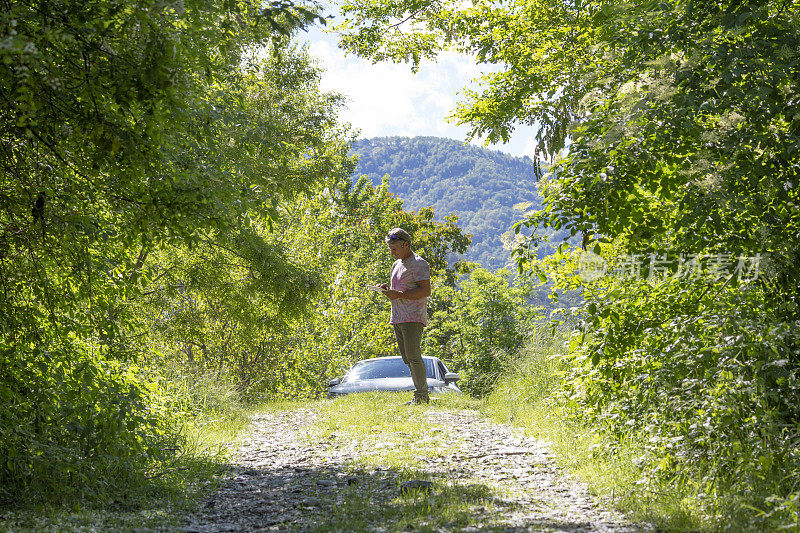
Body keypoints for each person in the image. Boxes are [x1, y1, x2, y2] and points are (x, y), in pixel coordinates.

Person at [378, 228, 431, 404]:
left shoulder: (419, 263)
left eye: (395, 249)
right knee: (407, 358)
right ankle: (419, 393)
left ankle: (422, 396)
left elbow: (425, 290)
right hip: (398, 317)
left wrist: (399, 295)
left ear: (406, 244)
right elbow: (399, 289)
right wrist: (388, 290)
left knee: (414, 356)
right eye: (390, 249)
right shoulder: (397, 264)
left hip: (413, 317)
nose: (392, 253)